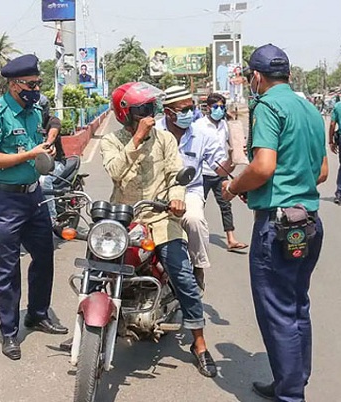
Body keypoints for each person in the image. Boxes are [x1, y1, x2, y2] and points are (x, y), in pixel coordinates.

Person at [222, 44, 329, 402]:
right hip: (308, 221)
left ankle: (290, 395)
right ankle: (291, 382)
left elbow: (263, 167)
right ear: (289, 74)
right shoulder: (310, 110)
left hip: (278, 225)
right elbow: (323, 172)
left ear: (256, 77)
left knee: (278, 312)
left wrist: (234, 187)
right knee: (297, 305)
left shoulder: (267, 106)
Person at [100, 81, 218, 378]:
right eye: (143, 110)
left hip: (160, 216)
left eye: (151, 109)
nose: (150, 115)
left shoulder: (165, 139)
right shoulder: (111, 141)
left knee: (182, 276)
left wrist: (177, 199)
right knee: (99, 266)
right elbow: (115, 173)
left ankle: (200, 345)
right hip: (125, 218)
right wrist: (136, 140)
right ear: (126, 114)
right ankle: (86, 327)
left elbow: (175, 174)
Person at [0, 54, 68, 361]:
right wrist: (29, 155)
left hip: (33, 197)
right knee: (7, 267)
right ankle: (8, 331)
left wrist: (47, 147)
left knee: (44, 256)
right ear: (14, 84)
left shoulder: (32, 112)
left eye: (38, 83)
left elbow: (46, 131)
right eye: (31, 84)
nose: (36, 89)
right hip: (5, 201)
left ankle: (38, 314)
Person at [156, 85, 232, 292]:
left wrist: (233, 159)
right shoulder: (154, 132)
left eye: (191, 108)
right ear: (168, 112)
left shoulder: (201, 134)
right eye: (183, 110)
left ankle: (198, 266)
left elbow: (219, 166)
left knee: (194, 220)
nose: (189, 114)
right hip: (156, 192)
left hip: (189, 190)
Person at [196, 93, 248, 251]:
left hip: (221, 171)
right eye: (216, 107)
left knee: (225, 205)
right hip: (203, 172)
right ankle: (192, 239)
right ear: (209, 108)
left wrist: (239, 147)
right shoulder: (199, 126)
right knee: (197, 207)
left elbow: (234, 142)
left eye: (222, 107)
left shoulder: (225, 125)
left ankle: (231, 239)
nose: (219, 110)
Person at [38, 95, 66, 222]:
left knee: (44, 181)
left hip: (56, 162)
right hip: (36, 162)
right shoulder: (28, 122)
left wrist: (47, 145)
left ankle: (51, 217)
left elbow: (53, 134)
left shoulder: (53, 121)